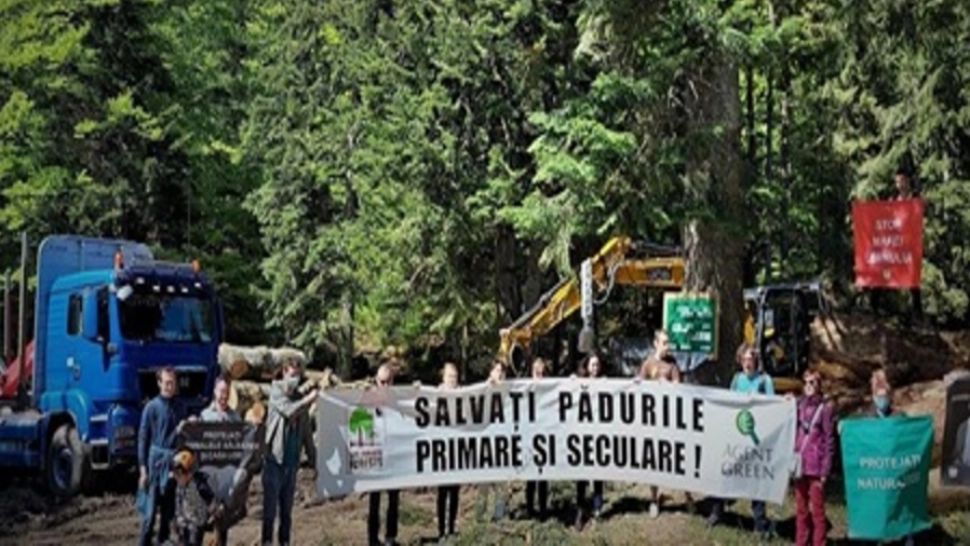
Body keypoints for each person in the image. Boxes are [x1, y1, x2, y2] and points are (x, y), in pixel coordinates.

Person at [707, 343, 774, 537]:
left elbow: (773, 406)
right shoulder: (737, 379)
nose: (747, 363)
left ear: (756, 360)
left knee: (756, 479)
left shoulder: (765, 380)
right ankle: (717, 512)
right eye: (743, 359)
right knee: (725, 472)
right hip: (735, 436)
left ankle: (760, 523)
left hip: (756, 439)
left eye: (750, 359)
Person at [262, 358, 317, 546]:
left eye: (298, 376)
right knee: (269, 512)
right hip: (274, 460)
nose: (295, 379)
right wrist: (308, 400)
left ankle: (284, 542)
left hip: (292, 463)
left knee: (287, 512)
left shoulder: (298, 397)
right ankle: (267, 542)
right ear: (284, 373)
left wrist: (314, 460)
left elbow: (307, 434)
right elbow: (288, 411)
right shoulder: (276, 391)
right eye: (292, 375)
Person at [138, 367, 187, 546]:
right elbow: (143, 439)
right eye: (166, 383)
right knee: (148, 517)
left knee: (168, 515)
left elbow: (184, 438)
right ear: (159, 383)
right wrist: (143, 470)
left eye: (172, 383)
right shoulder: (151, 407)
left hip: (173, 464)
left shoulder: (180, 407)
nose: (169, 386)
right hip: (154, 465)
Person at [793, 369, 835, 546]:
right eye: (806, 382)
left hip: (816, 467)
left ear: (819, 385)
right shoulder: (799, 406)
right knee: (801, 509)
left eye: (813, 383)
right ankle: (801, 541)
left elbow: (829, 440)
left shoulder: (825, 409)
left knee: (817, 512)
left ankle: (819, 542)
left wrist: (826, 469)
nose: (809, 386)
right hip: (800, 465)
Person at [369, 363, 400, 546]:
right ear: (376, 380)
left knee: (393, 499)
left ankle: (391, 536)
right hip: (374, 457)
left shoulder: (397, 400)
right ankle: (373, 539)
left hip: (393, 456)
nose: (385, 386)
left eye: (388, 382)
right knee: (374, 500)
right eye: (382, 382)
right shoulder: (367, 398)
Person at [575, 354, 606, 530]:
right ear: (587, 367)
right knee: (581, 475)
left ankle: (597, 508)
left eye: (597, 365)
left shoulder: (605, 383)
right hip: (582, 437)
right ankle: (580, 510)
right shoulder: (579, 384)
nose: (595, 368)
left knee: (598, 474)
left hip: (598, 436)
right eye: (592, 365)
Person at [476, 361, 509, 523]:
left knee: (501, 481)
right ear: (490, 372)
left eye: (501, 371)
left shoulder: (507, 391)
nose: (499, 374)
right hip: (485, 441)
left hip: (502, 441)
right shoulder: (483, 389)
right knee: (484, 481)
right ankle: (480, 515)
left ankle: (499, 514)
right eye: (496, 370)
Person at [172, 449, 219, 546]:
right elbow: (178, 503)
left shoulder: (199, 485)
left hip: (196, 523)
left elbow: (211, 499)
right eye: (176, 474)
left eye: (180, 474)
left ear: (189, 473)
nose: (177, 477)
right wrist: (177, 518)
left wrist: (213, 513)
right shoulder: (179, 486)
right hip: (183, 521)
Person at [436, 363, 461, 540]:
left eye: (454, 376)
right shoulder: (435, 394)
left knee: (455, 491)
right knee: (442, 491)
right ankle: (441, 529)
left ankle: (451, 527)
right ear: (443, 377)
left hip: (458, 449)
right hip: (441, 450)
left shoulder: (463, 394)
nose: (452, 379)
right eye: (449, 376)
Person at [525, 358, 550, 521]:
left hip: (546, 437)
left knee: (543, 475)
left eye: (542, 372)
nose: (539, 374)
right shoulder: (525, 387)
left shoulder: (550, 388)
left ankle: (542, 510)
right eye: (536, 371)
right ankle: (529, 509)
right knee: (530, 476)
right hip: (529, 436)